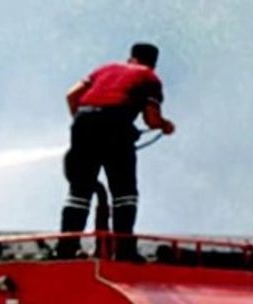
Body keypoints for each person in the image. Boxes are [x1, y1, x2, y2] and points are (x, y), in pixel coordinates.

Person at [59, 42, 175, 257]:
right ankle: (124, 250)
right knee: (124, 192)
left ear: (131, 57)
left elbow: (71, 95)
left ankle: (66, 247)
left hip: (83, 123)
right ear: (153, 63)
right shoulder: (149, 77)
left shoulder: (105, 68)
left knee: (79, 190)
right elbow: (151, 119)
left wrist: (84, 120)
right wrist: (165, 126)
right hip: (115, 127)